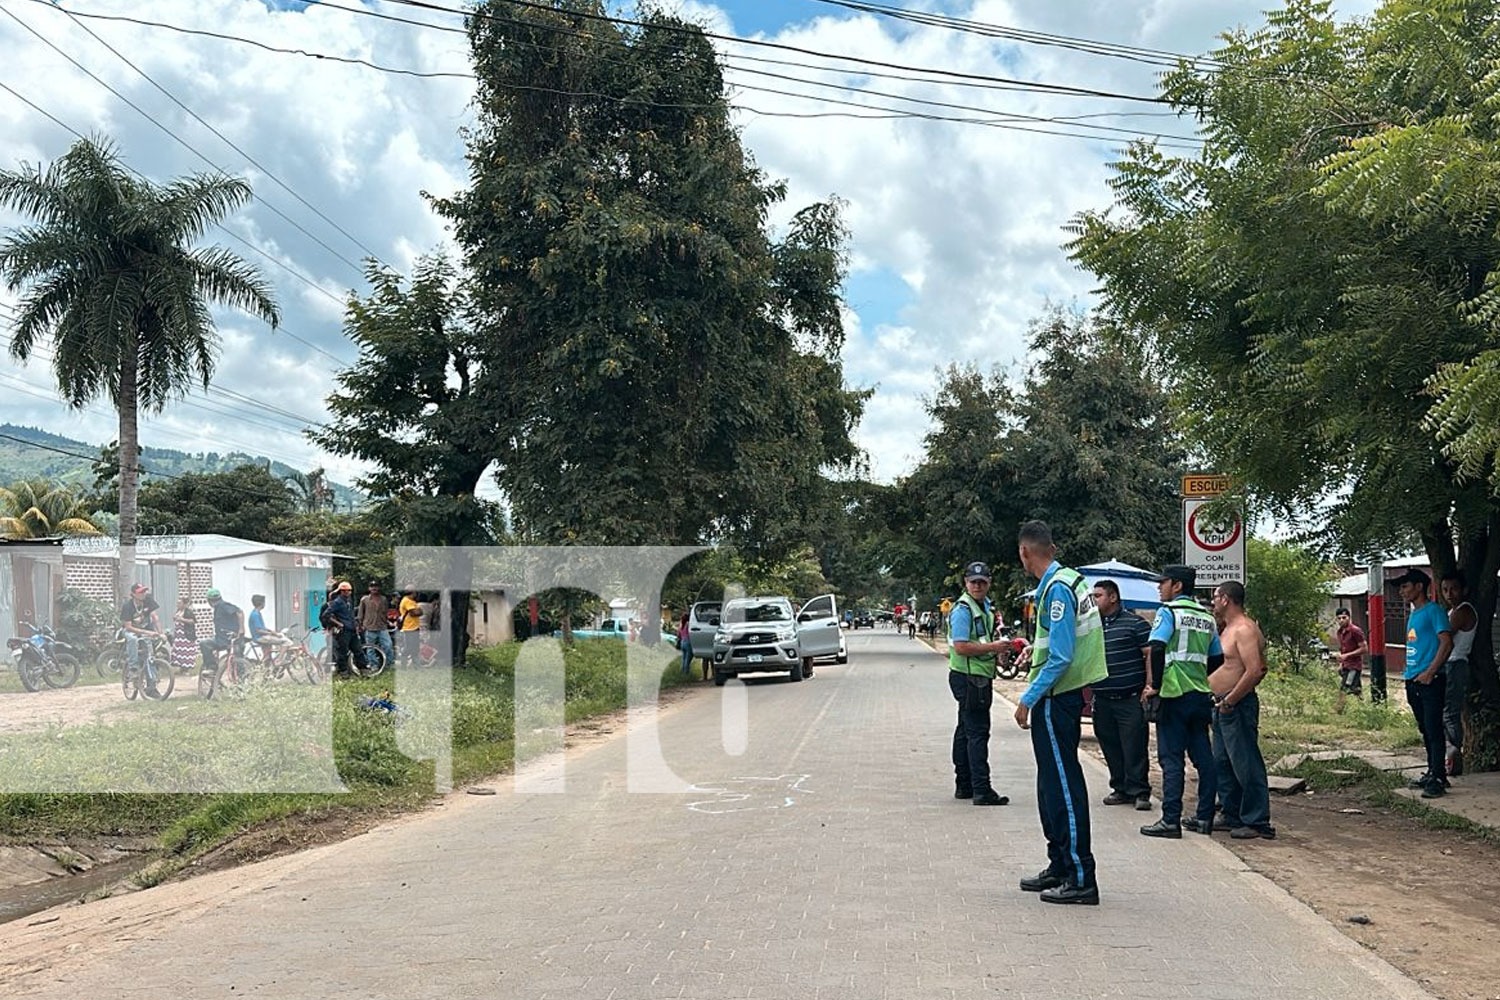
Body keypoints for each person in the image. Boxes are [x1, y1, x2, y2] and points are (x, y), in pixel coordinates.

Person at [1014, 521, 1107, 906]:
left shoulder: (1056, 590)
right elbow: (1052, 644)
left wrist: (1028, 697)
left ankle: (1081, 876)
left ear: (1025, 553)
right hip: (1059, 695)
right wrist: (1030, 656)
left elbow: (1062, 655)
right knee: (1050, 785)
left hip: (1057, 698)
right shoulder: (1071, 580)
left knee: (1064, 787)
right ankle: (1060, 865)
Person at [1140, 565, 1223, 839]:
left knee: (1171, 758)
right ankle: (1203, 818)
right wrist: (1199, 677)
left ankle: (1170, 820)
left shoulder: (1169, 612)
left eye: (1162, 582)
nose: (1159, 587)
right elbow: (1217, 658)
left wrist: (1156, 685)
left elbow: (1158, 646)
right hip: (1199, 695)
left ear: (1177, 586)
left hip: (1174, 694)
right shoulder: (1206, 616)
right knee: (1204, 758)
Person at [1209, 581, 1274, 839]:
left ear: (1226, 599)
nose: (1213, 602)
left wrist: (1231, 700)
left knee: (1245, 762)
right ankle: (1231, 811)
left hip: (1235, 705)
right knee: (1223, 762)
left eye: (1215, 597)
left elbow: (1256, 669)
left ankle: (1257, 819)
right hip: (1221, 704)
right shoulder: (1228, 629)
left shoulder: (1245, 629)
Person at [946, 560, 1011, 807]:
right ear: (966, 583)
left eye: (982, 582)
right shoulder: (964, 609)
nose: (978, 586)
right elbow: (961, 646)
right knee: (977, 733)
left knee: (965, 730)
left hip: (976, 676)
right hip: (970, 678)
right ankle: (981, 789)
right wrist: (994, 648)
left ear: (989, 583)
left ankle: (964, 785)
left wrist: (997, 652)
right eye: (973, 582)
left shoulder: (984, 607)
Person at [1090, 580, 1152, 811]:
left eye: (1098, 595)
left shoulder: (1136, 624)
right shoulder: (1093, 626)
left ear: (1113, 597)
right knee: (1109, 743)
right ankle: (1120, 788)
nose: (1094, 600)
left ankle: (1140, 791)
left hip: (1130, 697)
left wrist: (1149, 685)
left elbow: (1149, 656)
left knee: (1134, 745)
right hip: (1103, 698)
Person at [1397, 568, 1452, 798]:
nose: (1402, 591)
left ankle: (1439, 777)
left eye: (1405, 586)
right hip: (1413, 679)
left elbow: (1446, 642)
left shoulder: (1434, 611)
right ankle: (1432, 770)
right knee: (1424, 729)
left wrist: (1431, 671)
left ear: (1419, 586)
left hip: (1430, 680)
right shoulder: (1414, 613)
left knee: (1433, 728)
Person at [1438, 573, 1476, 777]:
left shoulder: (1462, 611)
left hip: (1455, 663)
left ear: (1464, 590)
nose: (1449, 594)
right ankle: (1451, 753)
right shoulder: (1453, 610)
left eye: (1453, 589)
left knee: (1450, 712)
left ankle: (1454, 752)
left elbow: (1444, 637)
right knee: (1446, 711)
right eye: (1445, 590)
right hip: (1450, 664)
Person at [119, 583, 164, 697]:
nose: (143, 594)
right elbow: (128, 626)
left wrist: (160, 633)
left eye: (144, 591)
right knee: (132, 639)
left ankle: (151, 687)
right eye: (140, 592)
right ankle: (133, 668)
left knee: (150, 656)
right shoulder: (127, 606)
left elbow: (155, 617)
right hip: (130, 631)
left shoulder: (148, 600)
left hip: (146, 630)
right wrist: (147, 632)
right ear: (133, 594)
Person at [199, 589, 246, 682]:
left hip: (232, 639)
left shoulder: (223, 606)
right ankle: (213, 669)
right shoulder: (218, 608)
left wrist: (241, 629)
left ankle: (212, 668)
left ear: (209, 601)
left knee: (237, 661)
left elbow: (240, 612)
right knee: (206, 643)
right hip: (221, 639)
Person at [323, 581, 366, 679]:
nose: (348, 592)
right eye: (345, 591)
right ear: (341, 591)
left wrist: (356, 625)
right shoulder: (337, 602)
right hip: (344, 632)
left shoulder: (349, 601)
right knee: (342, 652)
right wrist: (338, 624)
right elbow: (326, 615)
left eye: (349, 591)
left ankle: (364, 669)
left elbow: (351, 615)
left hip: (352, 630)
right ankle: (343, 672)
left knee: (358, 650)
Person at [1333, 608, 1367, 714]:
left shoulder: (1355, 631)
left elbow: (1364, 648)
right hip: (1346, 665)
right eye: (1339, 618)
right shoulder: (1340, 632)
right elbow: (1343, 648)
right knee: (1356, 689)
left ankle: (1338, 710)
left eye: (1344, 618)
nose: (1341, 620)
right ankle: (1365, 709)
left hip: (1354, 666)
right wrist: (1341, 663)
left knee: (1344, 688)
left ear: (1349, 618)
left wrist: (1346, 656)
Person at [248, 594, 292, 670]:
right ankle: (279, 660)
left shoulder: (255, 613)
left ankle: (267, 669)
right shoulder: (255, 615)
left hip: (259, 637)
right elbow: (259, 630)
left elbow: (262, 628)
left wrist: (272, 631)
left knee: (267, 655)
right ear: (261, 603)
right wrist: (273, 634)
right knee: (287, 642)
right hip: (260, 637)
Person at [358, 582, 393, 669]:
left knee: (388, 645)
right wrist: (360, 625)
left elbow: (385, 612)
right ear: (369, 588)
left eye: (376, 586)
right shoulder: (364, 599)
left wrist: (387, 622)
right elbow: (360, 614)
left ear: (379, 588)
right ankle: (374, 664)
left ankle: (389, 663)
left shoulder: (383, 599)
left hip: (382, 626)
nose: (374, 588)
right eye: (372, 586)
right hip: (369, 627)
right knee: (370, 648)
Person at [397, 585, 423, 666]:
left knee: (415, 647)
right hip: (409, 628)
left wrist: (419, 611)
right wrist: (419, 611)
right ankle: (403, 664)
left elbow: (418, 612)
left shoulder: (412, 601)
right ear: (413, 592)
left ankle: (416, 664)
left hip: (414, 627)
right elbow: (414, 613)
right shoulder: (407, 601)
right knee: (409, 647)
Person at [171, 596, 197, 674]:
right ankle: (181, 667)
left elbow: (192, 621)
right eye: (177, 603)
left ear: (184, 604)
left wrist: (182, 619)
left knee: (186, 652)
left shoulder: (188, 612)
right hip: (179, 636)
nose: (178, 604)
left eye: (179, 603)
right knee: (179, 651)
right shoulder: (178, 611)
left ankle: (186, 668)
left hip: (186, 635)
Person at [677, 612, 693, 677]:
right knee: (688, 658)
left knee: (683, 658)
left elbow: (678, 634)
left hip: (682, 642)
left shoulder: (681, 625)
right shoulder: (688, 624)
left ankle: (682, 671)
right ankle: (686, 672)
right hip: (688, 641)